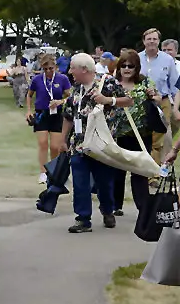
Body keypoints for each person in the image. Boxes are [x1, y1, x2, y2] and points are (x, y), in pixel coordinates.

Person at [62, 52, 132, 233]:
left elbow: (128, 101)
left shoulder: (107, 82)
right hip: (79, 145)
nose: (70, 71)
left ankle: (108, 210)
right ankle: (83, 219)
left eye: (73, 68)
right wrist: (63, 139)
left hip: (101, 145)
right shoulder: (76, 88)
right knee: (80, 183)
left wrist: (109, 100)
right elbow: (69, 115)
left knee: (104, 182)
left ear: (84, 69)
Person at [108, 49, 157, 217]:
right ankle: (115, 205)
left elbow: (157, 100)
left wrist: (153, 96)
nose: (127, 69)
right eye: (124, 66)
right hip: (118, 134)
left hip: (141, 134)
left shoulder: (145, 83)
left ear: (137, 68)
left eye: (131, 66)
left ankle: (143, 207)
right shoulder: (112, 84)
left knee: (139, 172)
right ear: (119, 67)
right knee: (117, 172)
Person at [26, 55, 72, 184]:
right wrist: (29, 110)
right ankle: (43, 172)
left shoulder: (62, 79)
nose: (48, 71)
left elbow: (70, 97)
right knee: (42, 143)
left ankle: (54, 171)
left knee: (55, 146)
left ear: (56, 67)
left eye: (50, 68)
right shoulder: (37, 79)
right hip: (42, 113)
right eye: (45, 69)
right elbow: (29, 95)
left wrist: (60, 101)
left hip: (57, 114)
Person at [139, 28, 179, 161]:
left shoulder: (167, 60)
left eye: (154, 39)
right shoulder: (136, 58)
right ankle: (141, 169)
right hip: (141, 102)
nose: (152, 41)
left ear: (158, 41)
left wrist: (176, 107)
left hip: (162, 102)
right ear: (144, 41)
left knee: (158, 140)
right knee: (141, 137)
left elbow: (174, 85)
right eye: (149, 39)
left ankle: (154, 176)